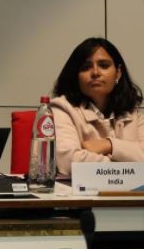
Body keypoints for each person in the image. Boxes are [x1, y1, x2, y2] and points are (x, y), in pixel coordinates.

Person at [51, 37, 144, 176]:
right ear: (76, 76)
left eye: (104, 65)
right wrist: (129, 166)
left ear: (118, 73)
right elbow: (69, 161)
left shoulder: (132, 113)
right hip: (80, 190)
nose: (95, 72)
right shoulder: (62, 108)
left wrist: (109, 144)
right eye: (85, 67)